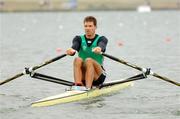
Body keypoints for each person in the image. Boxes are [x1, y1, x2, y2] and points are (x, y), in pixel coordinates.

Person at [66, 16, 108, 90]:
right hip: (83, 76)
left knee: (88, 60)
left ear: (95, 27)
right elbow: (75, 45)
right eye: (85, 26)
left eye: (90, 26)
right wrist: (71, 50)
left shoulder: (102, 39)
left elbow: (102, 45)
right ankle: (78, 86)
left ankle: (87, 88)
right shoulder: (78, 39)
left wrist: (99, 48)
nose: (87, 28)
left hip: (97, 76)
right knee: (77, 59)